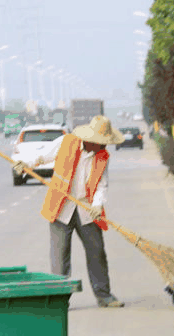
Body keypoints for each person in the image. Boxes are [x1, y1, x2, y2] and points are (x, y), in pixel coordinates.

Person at [27, 115, 126, 308]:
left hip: (86, 210)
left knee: (96, 251)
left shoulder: (102, 156)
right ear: (90, 139)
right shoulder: (67, 142)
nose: (104, 145)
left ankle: (103, 295)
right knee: (59, 256)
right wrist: (25, 164)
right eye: (101, 142)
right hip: (61, 207)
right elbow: (43, 155)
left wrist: (97, 205)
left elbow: (101, 185)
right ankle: (59, 299)